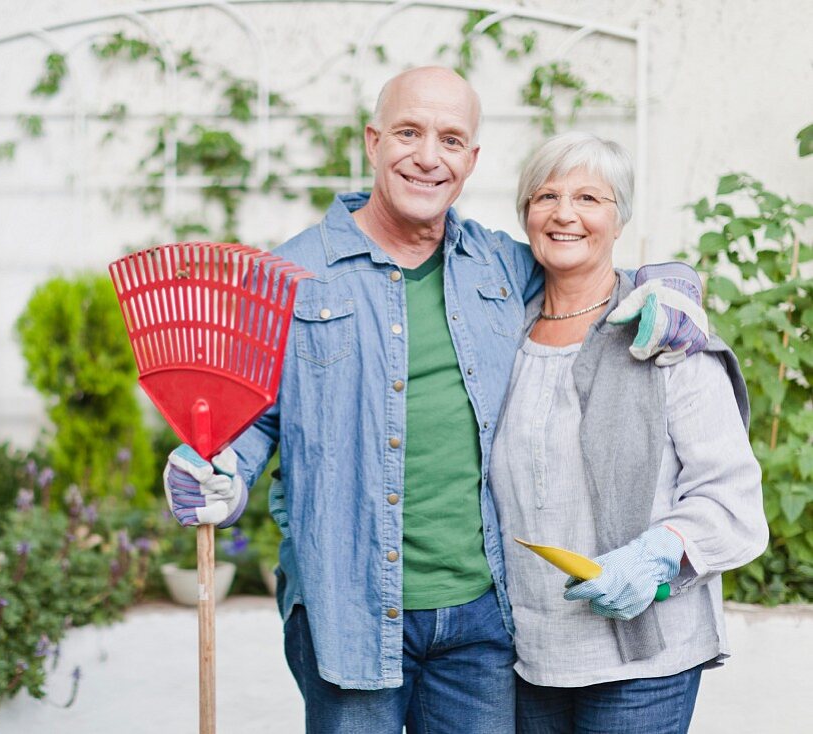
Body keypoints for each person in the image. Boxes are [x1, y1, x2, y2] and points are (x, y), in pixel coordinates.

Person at [162, 67, 708, 733]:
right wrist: (220, 471)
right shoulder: (289, 276)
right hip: (347, 609)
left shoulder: (502, 268)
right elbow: (251, 416)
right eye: (408, 132)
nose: (428, 156)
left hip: (481, 623)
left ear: (471, 160)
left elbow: (585, 260)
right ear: (372, 141)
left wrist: (671, 281)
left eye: (451, 140)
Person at [489, 131, 768, 733]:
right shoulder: (497, 335)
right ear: (526, 215)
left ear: (620, 219)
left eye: (590, 198)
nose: (565, 214)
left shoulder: (663, 336)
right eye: (546, 197)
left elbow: (734, 501)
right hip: (529, 657)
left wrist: (657, 553)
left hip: (645, 659)